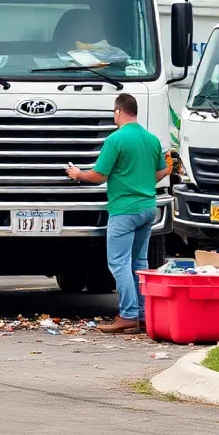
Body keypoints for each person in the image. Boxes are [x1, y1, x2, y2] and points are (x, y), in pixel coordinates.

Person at [67, 93, 170, 334]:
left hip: (124, 209)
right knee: (139, 262)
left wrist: (77, 174)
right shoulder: (152, 140)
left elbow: (99, 175)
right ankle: (143, 315)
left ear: (118, 112)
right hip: (148, 208)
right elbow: (155, 175)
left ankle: (128, 314)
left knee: (118, 263)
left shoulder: (116, 139)